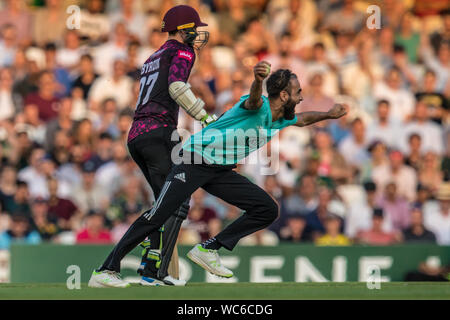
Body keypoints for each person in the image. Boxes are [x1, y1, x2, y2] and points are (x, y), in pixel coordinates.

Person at [88, 61, 347, 287]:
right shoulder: (260, 107)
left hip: (218, 169)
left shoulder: (282, 117)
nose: (301, 97)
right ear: (282, 95)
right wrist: (257, 80)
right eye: (298, 93)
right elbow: (255, 98)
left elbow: (303, 119)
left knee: (267, 208)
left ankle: (208, 248)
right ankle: (106, 269)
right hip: (193, 160)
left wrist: (328, 115)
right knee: (159, 215)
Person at [90, 5, 214, 288]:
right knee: (175, 202)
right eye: (193, 28)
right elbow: (177, 87)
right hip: (159, 133)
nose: (197, 34)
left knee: (166, 203)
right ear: (182, 30)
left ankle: (151, 271)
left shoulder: (152, 56)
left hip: (138, 134)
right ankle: (108, 268)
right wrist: (204, 116)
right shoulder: (182, 51)